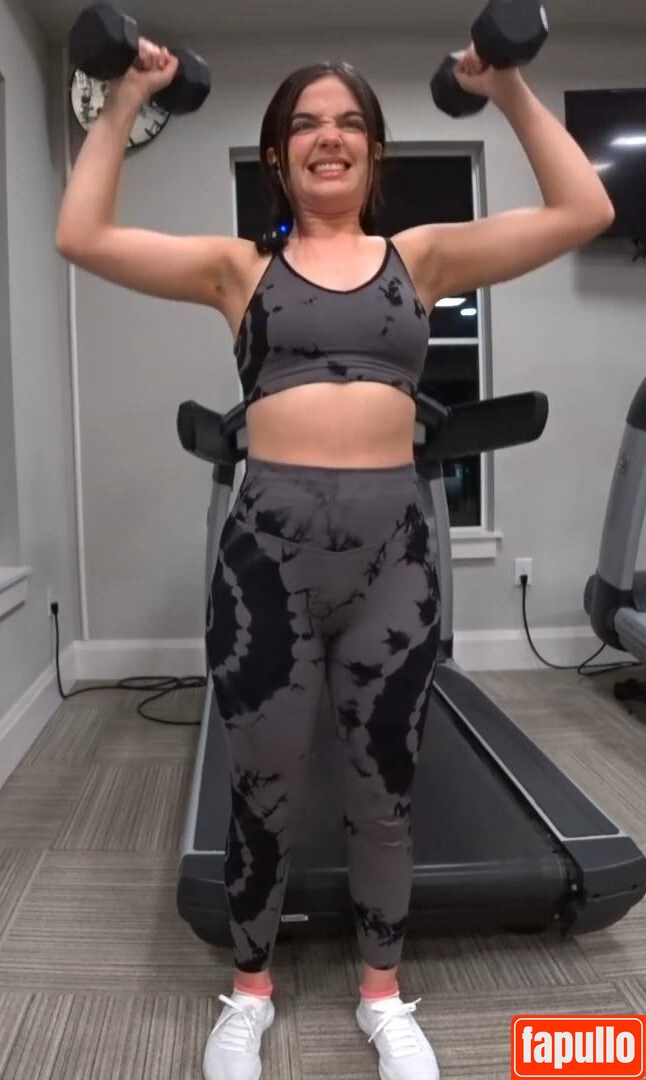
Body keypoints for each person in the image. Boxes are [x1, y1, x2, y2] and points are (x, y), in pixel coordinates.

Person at [56, 32, 615, 1080]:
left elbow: (584, 211)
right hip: (266, 564)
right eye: (307, 124)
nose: (329, 137)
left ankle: (382, 997)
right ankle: (249, 994)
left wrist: (507, 86)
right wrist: (126, 95)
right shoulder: (240, 270)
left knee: (383, 787)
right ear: (278, 155)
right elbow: (80, 235)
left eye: (350, 122)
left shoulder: (423, 259)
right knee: (263, 786)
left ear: (374, 151)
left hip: (391, 563)